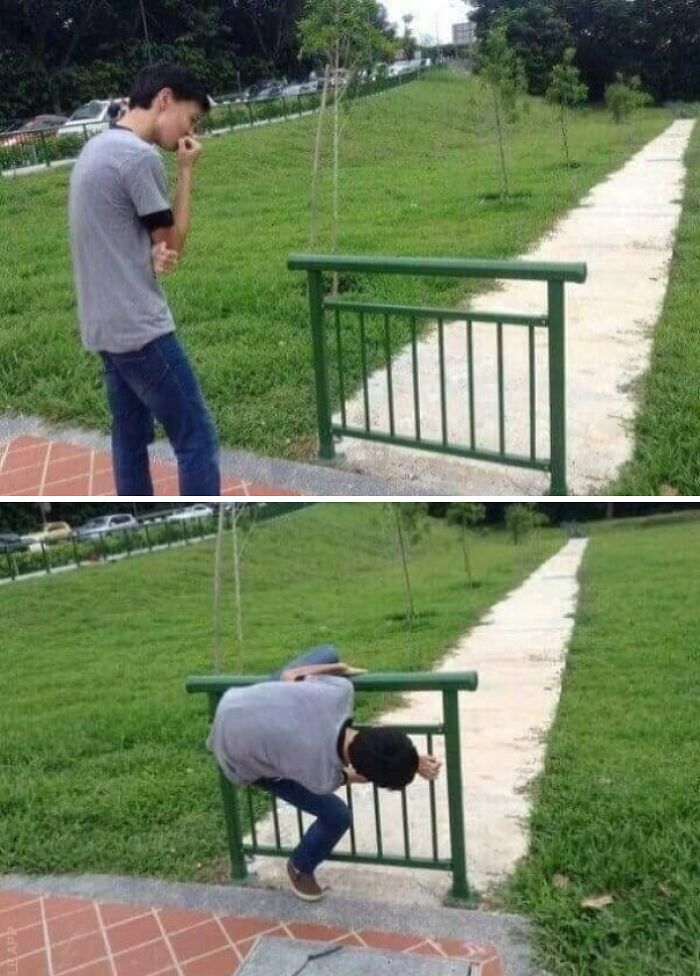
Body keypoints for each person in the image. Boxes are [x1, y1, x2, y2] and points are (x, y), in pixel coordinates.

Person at [68, 62, 221, 496]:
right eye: (190, 119)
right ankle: (203, 526)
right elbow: (172, 244)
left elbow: (127, 239)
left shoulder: (95, 150)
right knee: (196, 436)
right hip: (140, 331)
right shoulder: (139, 158)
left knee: (130, 438)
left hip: (103, 330)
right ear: (165, 99)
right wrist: (188, 173)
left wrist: (150, 252)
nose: (188, 132)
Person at [206, 645, 442, 902]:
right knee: (338, 816)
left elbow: (291, 677)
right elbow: (345, 774)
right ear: (366, 774)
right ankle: (299, 867)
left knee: (328, 653)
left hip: (233, 702)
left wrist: (340, 670)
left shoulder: (341, 691)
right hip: (234, 758)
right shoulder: (322, 776)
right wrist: (394, 767)